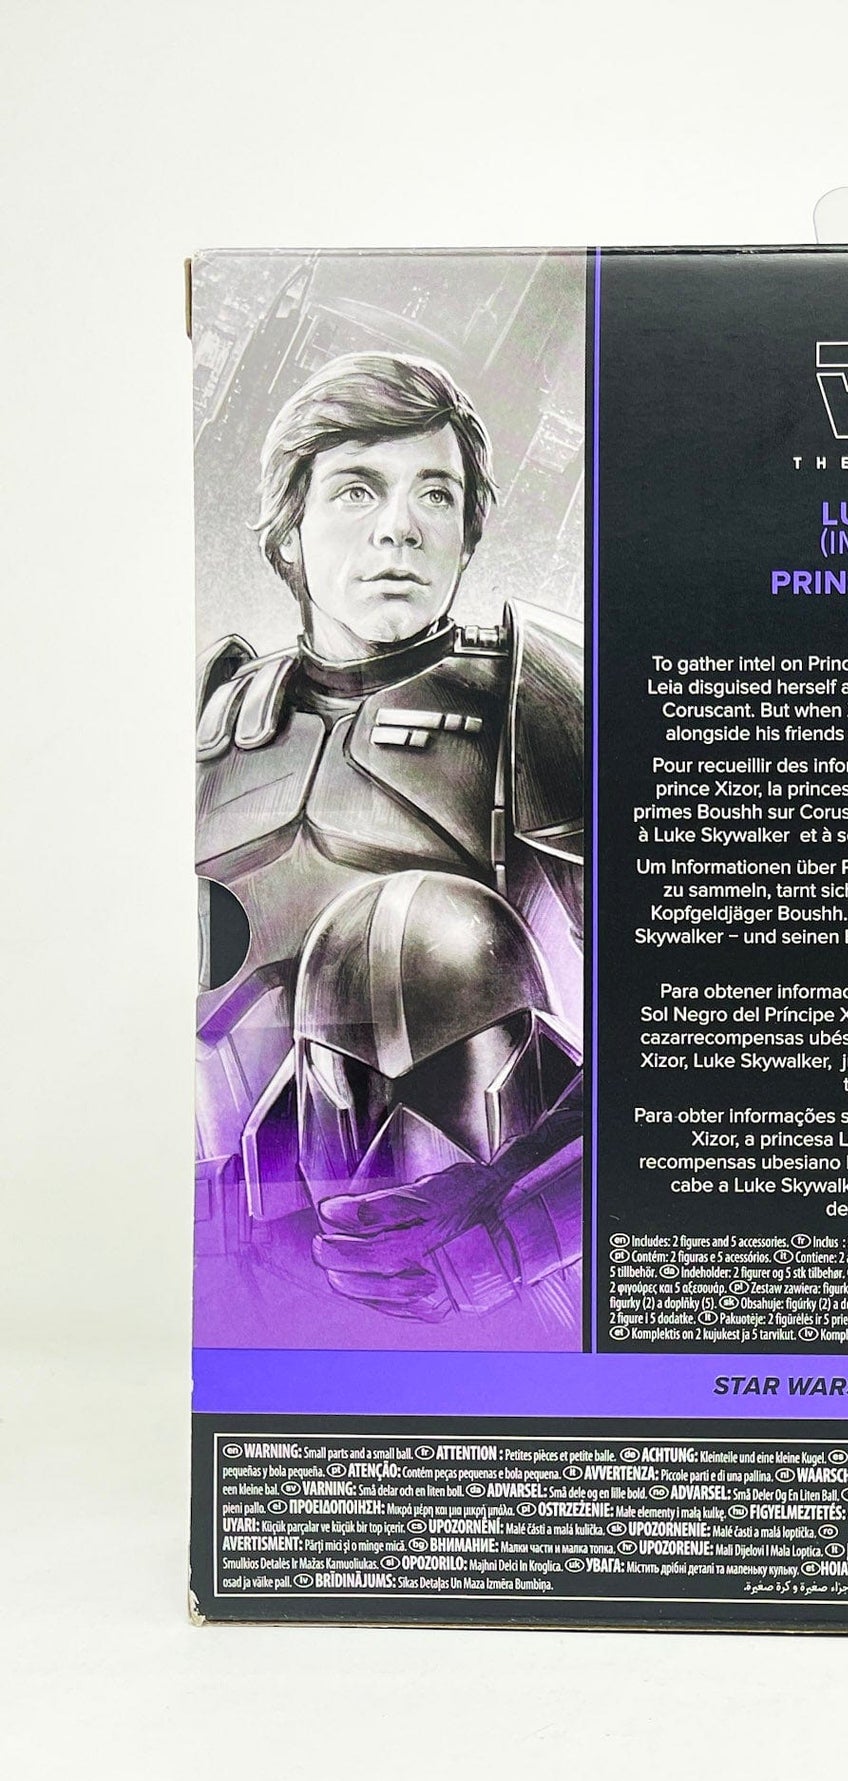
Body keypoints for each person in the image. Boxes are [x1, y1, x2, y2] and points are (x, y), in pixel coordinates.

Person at [195, 353, 585, 1343]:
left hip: (452, 1275)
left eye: (435, 493)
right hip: (224, 1274)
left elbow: (705, 1033)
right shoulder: (210, 716)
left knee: (416, 932)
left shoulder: (532, 694)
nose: (399, 527)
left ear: (468, 531)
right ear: (288, 528)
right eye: (357, 490)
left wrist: (505, 1239)